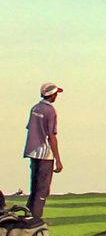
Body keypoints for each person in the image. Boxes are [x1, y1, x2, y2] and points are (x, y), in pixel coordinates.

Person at [24, 83, 64, 219]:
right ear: (51, 95)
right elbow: (52, 136)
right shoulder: (50, 111)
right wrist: (58, 160)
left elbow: (31, 128)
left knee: (34, 187)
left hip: (32, 151)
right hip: (45, 153)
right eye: (55, 94)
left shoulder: (35, 108)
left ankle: (28, 216)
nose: (56, 96)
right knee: (43, 189)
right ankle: (35, 219)